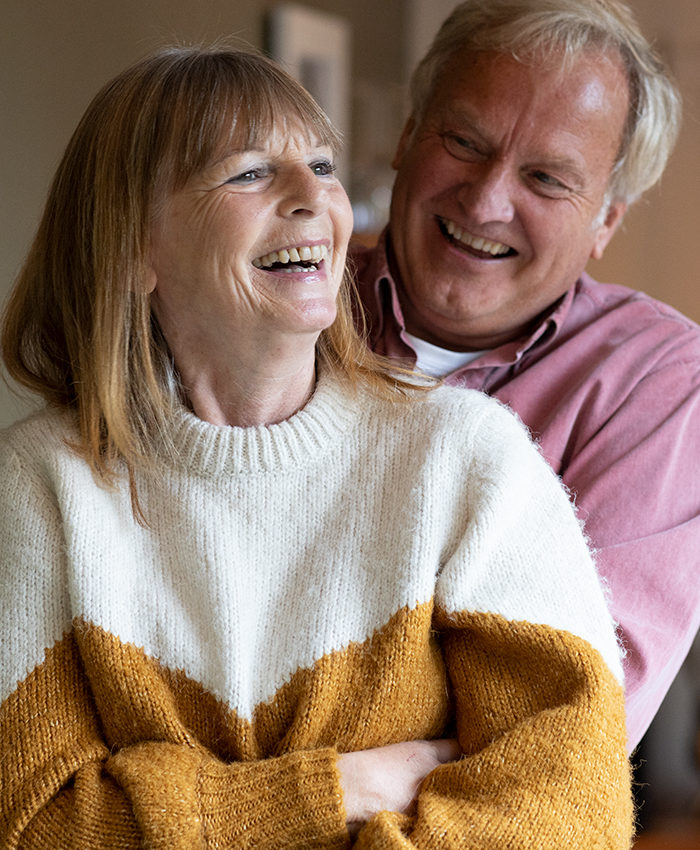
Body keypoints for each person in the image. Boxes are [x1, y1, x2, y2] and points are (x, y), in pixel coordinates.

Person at [0, 45, 632, 847]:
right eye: (250, 173)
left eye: (323, 165)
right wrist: (332, 792)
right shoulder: (40, 486)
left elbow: (568, 805)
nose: (315, 198)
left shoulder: (469, 463)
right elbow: (30, 823)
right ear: (132, 247)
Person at [352, 0, 700, 753]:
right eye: (464, 141)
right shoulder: (276, 295)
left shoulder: (658, 384)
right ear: (409, 137)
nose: (485, 200)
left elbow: (568, 736)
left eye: (545, 178)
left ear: (607, 219)